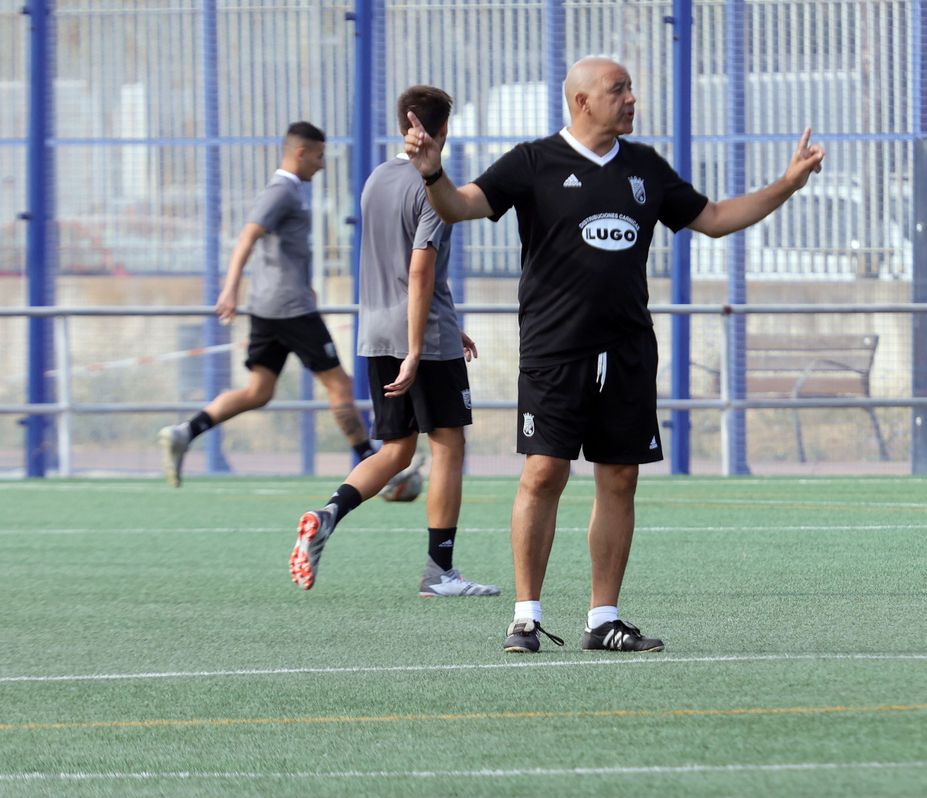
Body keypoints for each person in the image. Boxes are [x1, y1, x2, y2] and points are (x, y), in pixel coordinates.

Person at [404, 56, 825, 653]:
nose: (632, 98)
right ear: (582, 102)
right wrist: (432, 173)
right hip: (554, 350)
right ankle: (526, 618)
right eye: (618, 89)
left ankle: (603, 619)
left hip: (627, 351)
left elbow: (714, 219)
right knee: (544, 472)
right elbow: (459, 206)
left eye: (630, 88)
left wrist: (787, 184)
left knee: (620, 477)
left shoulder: (645, 168)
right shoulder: (533, 162)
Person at [288, 87, 500, 598]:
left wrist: (448, 322)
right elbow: (419, 266)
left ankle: (328, 513)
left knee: (398, 449)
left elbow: (393, 262)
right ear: (443, 131)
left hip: (376, 331)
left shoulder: (377, 178)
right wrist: (419, 348)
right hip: (417, 339)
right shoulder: (436, 188)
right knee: (449, 446)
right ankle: (440, 572)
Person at [158, 122, 392, 488]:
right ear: (300, 153)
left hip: (273, 304)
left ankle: (186, 432)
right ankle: (374, 467)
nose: (321, 164)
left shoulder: (292, 191)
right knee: (340, 384)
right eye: (318, 156)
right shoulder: (282, 191)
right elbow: (249, 235)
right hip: (288, 308)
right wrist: (230, 287)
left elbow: (280, 249)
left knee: (259, 391)